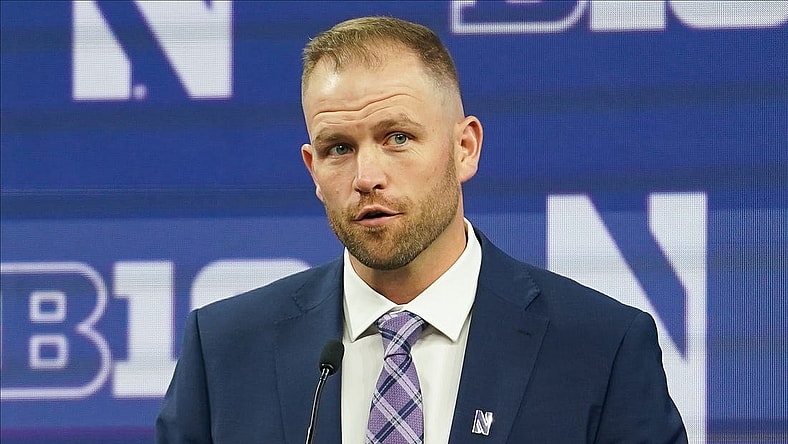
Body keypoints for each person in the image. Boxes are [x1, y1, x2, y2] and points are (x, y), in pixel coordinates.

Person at [155, 16, 687, 443]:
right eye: (338, 148)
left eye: (398, 138)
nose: (366, 177)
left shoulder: (600, 347)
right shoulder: (225, 350)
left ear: (465, 148)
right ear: (312, 170)